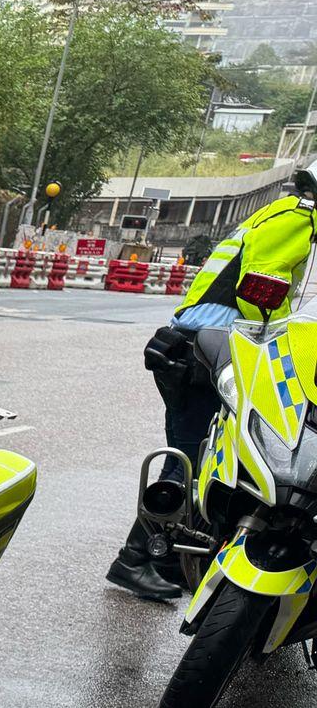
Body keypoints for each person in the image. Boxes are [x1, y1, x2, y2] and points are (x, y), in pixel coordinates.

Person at [111, 177, 317, 601]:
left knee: (194, 458)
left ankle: (166, 557)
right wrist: (280, 341)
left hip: (191, 344)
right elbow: (261, 287)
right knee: (190, 463)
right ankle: (134, 560)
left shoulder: (274, 212)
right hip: (210, 349)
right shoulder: (298, 219)